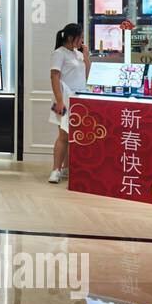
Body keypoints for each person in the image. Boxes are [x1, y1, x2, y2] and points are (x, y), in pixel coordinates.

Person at [48, 23, 90, 185]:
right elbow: (54, 77)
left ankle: (66, 167)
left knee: (73, 135)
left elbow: (86, 74)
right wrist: (59, 101)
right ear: (72, 37)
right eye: (80, 37)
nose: (82, 41)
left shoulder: (77, 54)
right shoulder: (59, 53)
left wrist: (85, 56)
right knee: (63, 135)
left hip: (79, 99)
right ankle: (56, 170)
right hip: (63, 99)